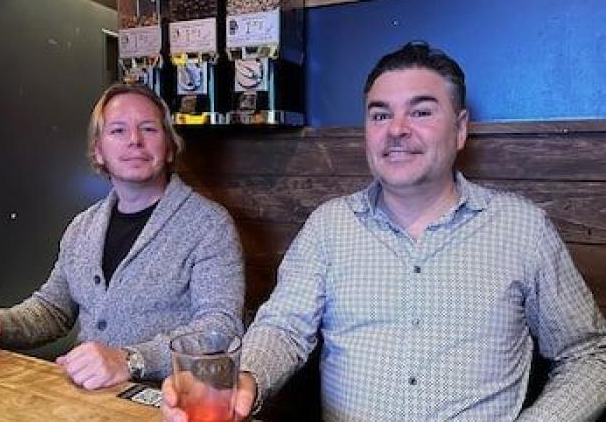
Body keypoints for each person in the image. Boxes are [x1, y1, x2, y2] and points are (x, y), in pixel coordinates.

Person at [162, 42, 606, 421]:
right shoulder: (329, 226)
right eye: (380, 115)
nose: (396, 130)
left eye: (422, 111)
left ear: (461, 128)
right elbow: (283, 328)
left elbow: (589, 355)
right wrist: (246, 379)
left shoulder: (522, 228)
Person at [0, 83, 245, 390]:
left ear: (169, 147)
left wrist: (131, 360)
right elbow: (52, 309)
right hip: (84, 397)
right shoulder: (82, 227)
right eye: (118, 131)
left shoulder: (209, 225)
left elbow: (221, 328)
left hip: (167, 402)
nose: (135, 140)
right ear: (98, 150)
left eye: (149, 129)